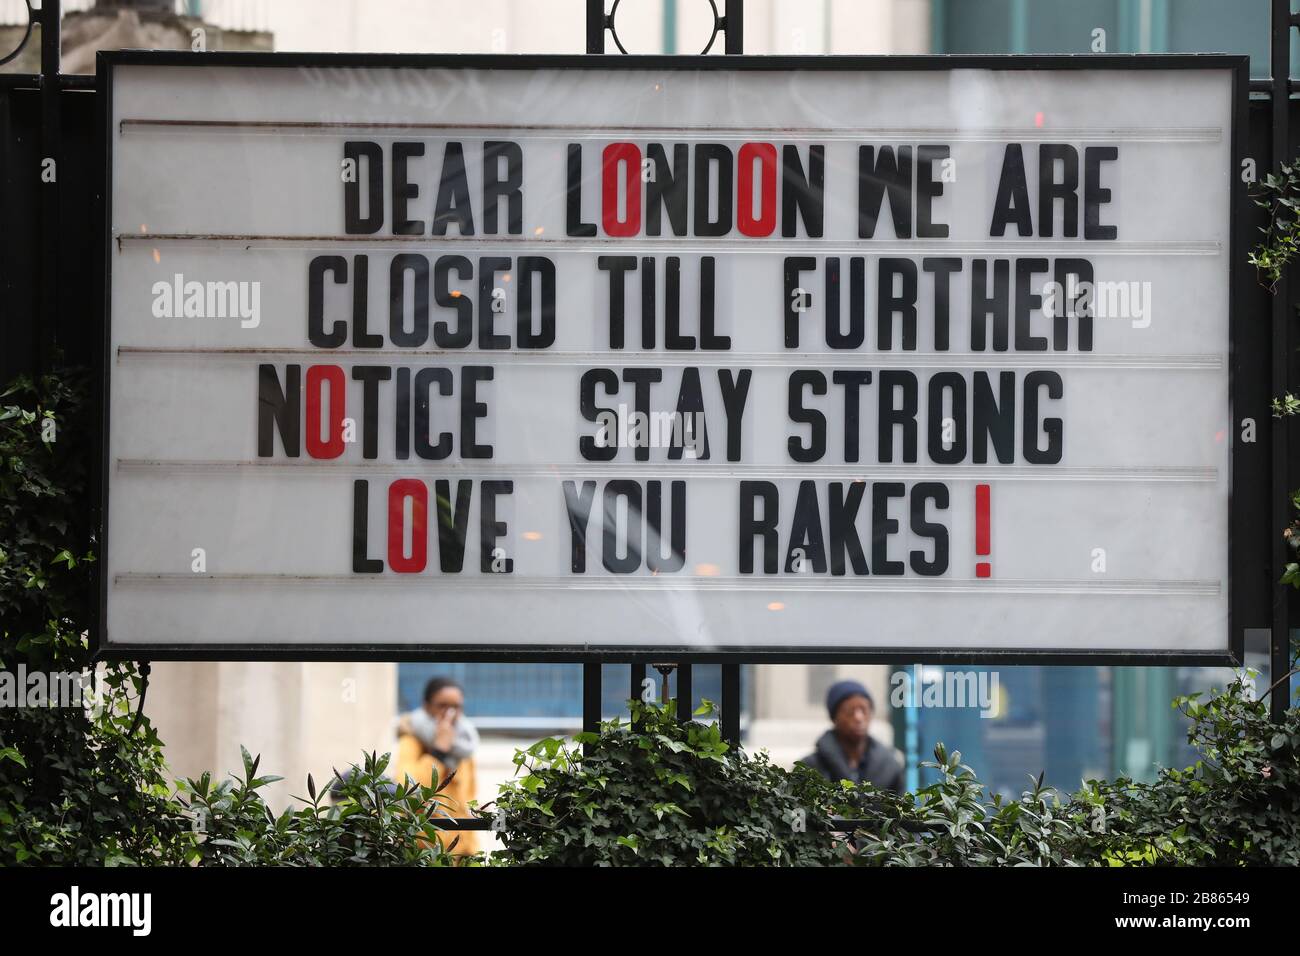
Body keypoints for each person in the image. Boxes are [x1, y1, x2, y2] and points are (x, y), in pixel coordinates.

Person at [393, 676, 480, 856]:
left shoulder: (461, 747)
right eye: (442, 706)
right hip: (424, 852)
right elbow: (408, 793)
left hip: (462, 851)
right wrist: (439, 752)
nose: (450, 713)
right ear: (427, 706)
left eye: (456, 707)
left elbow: (469, 798)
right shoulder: (411, 740)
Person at [799, 679, 904, 793]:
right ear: (834, 717)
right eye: (850, 711)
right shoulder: (810, 768)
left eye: (864, 710)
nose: (858, 718)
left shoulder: (889, 766)